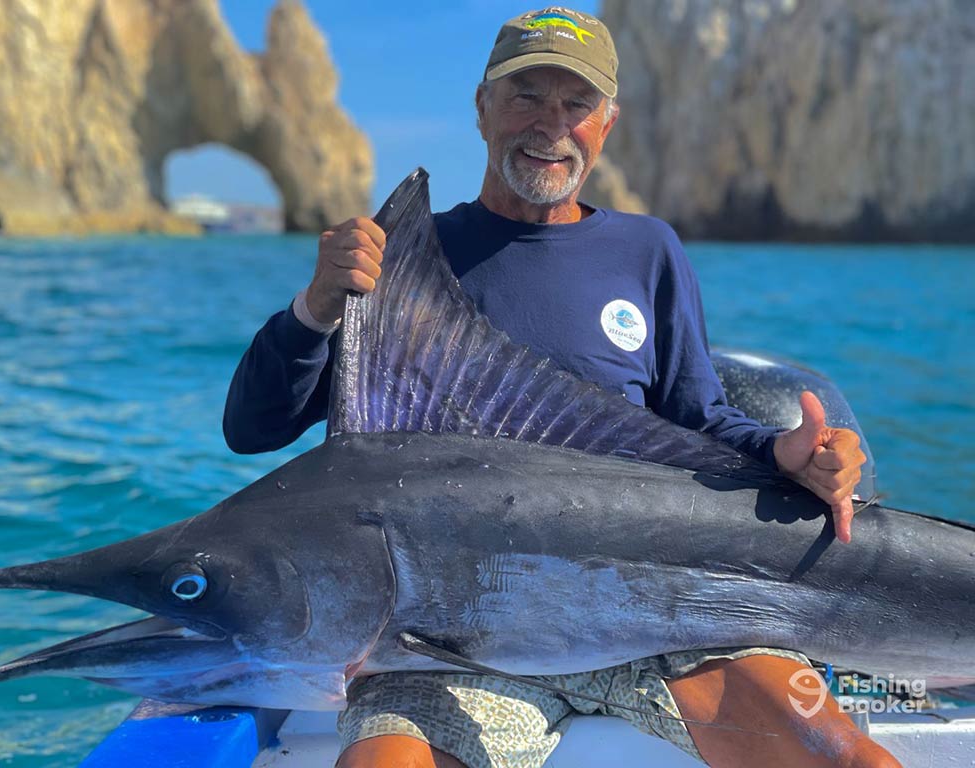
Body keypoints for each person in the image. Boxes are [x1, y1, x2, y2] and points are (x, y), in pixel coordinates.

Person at [224, 8, 896, 768]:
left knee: (850, 760)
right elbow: (255, 429)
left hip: (656, 611)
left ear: (606, 123)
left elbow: (699, 421)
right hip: (451, 633)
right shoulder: (408, 261)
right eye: (525, 97)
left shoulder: (648, 250)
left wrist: (788, 451)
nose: (551, 125)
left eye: (576, 104)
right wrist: (314, 309)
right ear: (481, 109)